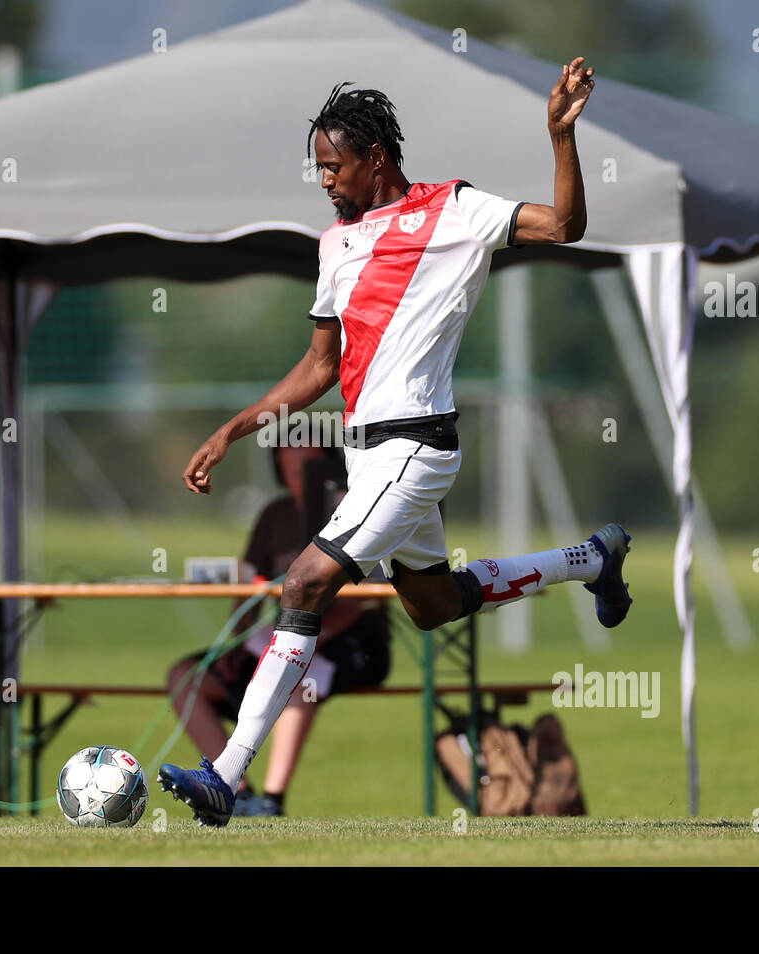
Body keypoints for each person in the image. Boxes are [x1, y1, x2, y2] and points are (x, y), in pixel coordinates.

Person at [161, 58, 632, 827]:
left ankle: (227, 777)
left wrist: (559, 137)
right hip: (369, 459)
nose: (323, 180)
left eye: (333, 166)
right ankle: (590, 558)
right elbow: (319, 366)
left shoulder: (455, 209)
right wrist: (234, 428)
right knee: (432, 603)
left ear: (375, 159)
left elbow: (566, 225)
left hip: (417, 447)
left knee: (306, 583)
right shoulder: (335, 246)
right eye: (317, 167)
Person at [165, 443, 390, 817]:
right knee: (185, 676)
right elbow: (247, 585)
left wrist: (310, 641)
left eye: (308, 470)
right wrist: (240, 641)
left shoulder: (353, 511)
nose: (299, 479)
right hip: (281, 638)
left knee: (303, 678)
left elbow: (374, 595)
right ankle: (236, 793)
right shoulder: (276, 515)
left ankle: (271, 802)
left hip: (350, 645)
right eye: (290, 470)